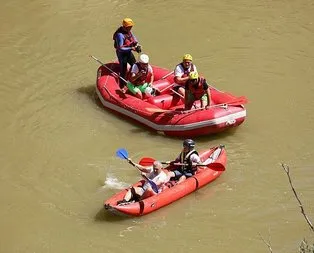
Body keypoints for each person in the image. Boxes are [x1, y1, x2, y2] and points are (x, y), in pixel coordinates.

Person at [113, 18, 142, 89]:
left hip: (128, 52)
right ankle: (121, 86)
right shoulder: (120, 35)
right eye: (130, 27)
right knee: (123, 70)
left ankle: (133, 80)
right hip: (122, 54)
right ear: (125, 27)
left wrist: (137, 44)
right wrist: (132, 48)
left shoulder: (128, 31)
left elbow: (133, 38)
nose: (131, 28)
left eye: (131, 26)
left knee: (134, 65)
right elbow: (120, 48)